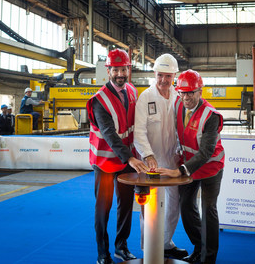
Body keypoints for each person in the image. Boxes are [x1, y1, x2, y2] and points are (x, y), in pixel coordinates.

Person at [86, 48, 149, 264]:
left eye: (124, 69)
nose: (120, 74)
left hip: (127, 160)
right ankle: (102, 254)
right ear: (108, 71)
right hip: (105, 161)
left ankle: (121, 246)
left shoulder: (132, 91)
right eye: (116, 70)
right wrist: (130, 158)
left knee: (126, 205)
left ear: (128, 70)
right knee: (103, 208)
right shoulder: (99, 100)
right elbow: (110, 134)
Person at [157, 69, 225, 264]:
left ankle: (208, 258)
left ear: (200, 92)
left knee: (208, 209)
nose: (186, 97)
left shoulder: (211, 116)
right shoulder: (178, 104)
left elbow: (206, 152)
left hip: (211, 167)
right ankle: (199, 246)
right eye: (182, 92)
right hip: (189, 166)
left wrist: (179, 171)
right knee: (186, 207)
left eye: (190, 93)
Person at [134, 54, 188, 259]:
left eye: (168, 76)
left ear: (174, 75)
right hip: (152, 162)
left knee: (174, 203)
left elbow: (182, 128)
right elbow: (139, 131)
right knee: (150, 205)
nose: (164, 80)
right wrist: (147, 155)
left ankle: (166, 242)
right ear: (154, 74)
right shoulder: (145, 98)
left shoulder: (178, 97)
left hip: (172, 160)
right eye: (160, 75)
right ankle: (147, 245)